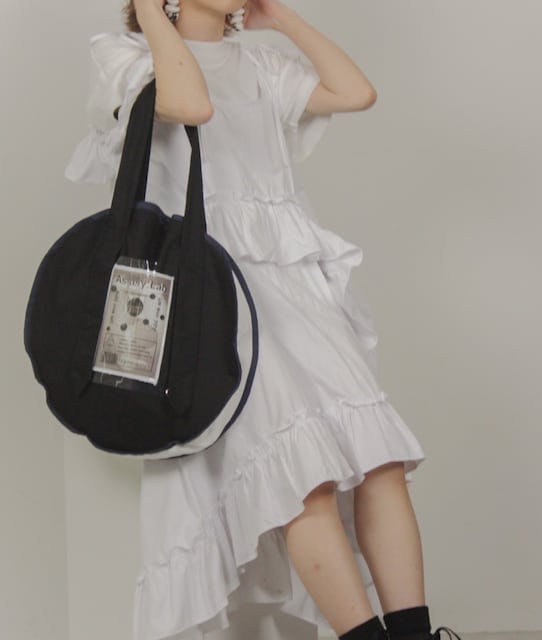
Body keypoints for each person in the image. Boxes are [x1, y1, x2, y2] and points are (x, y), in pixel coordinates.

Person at [64, 1, 462, 640]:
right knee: (302, 475)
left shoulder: (261, 65)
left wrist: (280, 20)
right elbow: (190, 103)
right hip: (209, 298)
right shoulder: (125, 58)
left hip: (295, 289)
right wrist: (149, 9)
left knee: (380, 459)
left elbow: (355, 93)